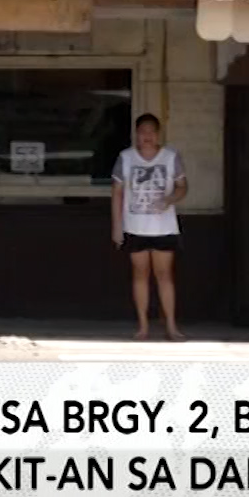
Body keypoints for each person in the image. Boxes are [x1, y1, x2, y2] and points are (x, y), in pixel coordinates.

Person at [110, 113, 187, 342]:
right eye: (143, 132)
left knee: (165, 276)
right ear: (136, 134)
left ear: (158, 134)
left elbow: (183, 186)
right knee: (140, 275)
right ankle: (142, 326)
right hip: (135, 225)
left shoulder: (170, 156)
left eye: (151, 132)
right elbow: (117, 194)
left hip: (164, 227)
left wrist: (170, 199)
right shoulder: (126, 158)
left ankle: (171, 326)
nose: (147, 136)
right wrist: (117, 227)